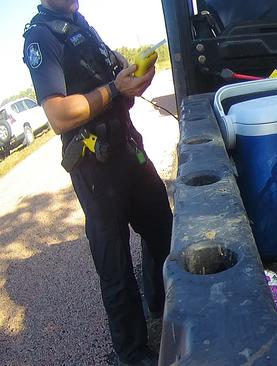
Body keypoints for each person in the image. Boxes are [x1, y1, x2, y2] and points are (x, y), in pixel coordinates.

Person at [23, 1, 172, 365]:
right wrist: (114, 88)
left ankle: (164, 305)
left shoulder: (81, 24)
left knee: (165, 231)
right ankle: (133, 354)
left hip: (128, 147)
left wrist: (131, 79)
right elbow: (58, 115)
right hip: (95, 168)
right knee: (115, 265)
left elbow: (112, 72)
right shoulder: (40, 37)